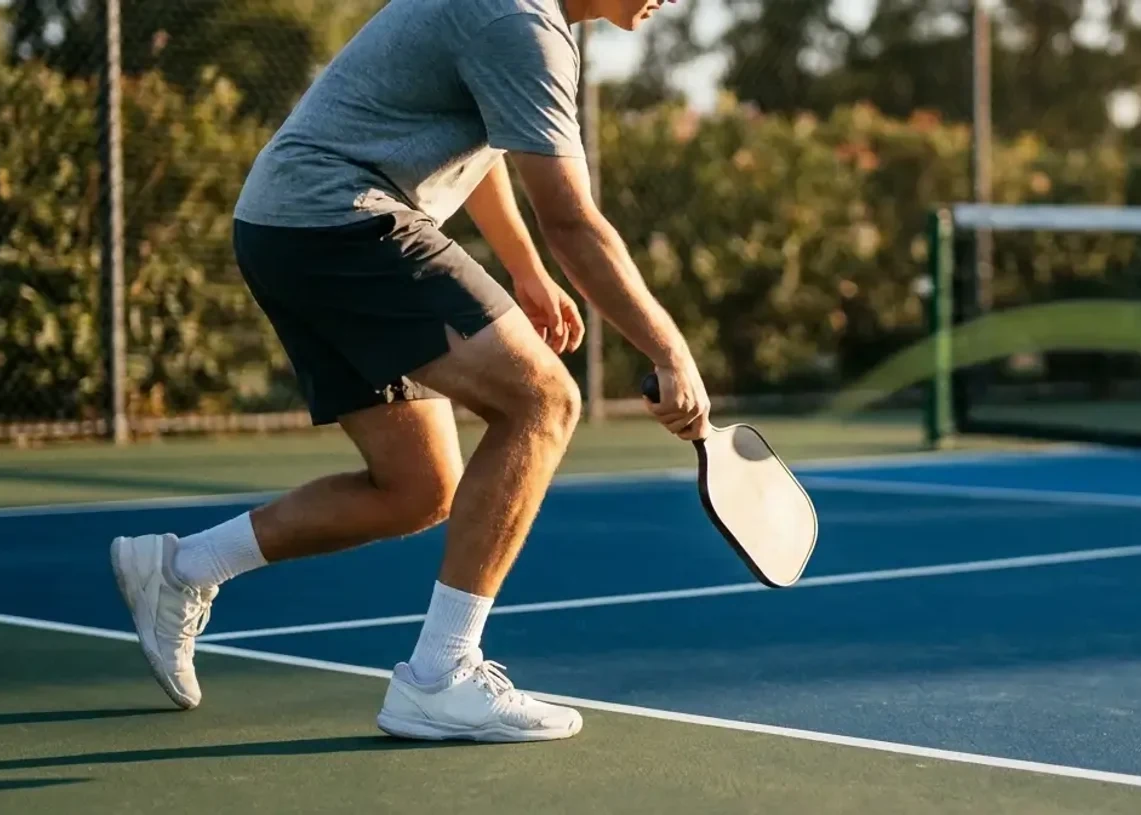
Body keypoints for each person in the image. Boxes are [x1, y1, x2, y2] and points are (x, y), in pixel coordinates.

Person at [109, 0, 702, 744]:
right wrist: (670, 351)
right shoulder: (520, 24)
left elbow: (483, 152)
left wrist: (523, 270)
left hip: (283, 228)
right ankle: (440, 675)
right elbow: (574, 222)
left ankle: (183, 568)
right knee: (544, 403)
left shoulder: (511, 17)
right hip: (342, 217)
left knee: (419, 487)